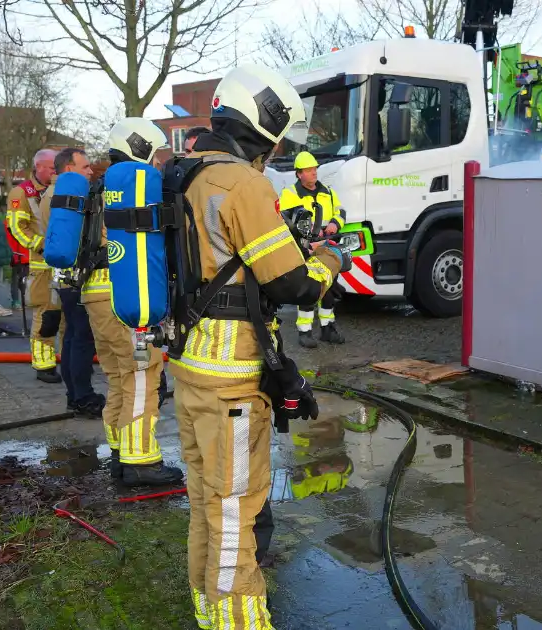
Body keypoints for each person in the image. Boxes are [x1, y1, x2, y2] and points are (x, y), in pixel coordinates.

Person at [170, 63, 349, 630]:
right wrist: (329, 259)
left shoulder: (185, 171)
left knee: (206, 500)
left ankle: (207, 609)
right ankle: (239, 622)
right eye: (275, 137)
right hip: (232, 378)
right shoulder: (243, 183)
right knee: (234, 510)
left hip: (191, 364)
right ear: (261, 123)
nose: (275, 151)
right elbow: (290, 285)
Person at [90, 118, 185, 487]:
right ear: (139, 147)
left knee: (117, 375)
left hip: (94, 294)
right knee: (143, 375)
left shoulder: (101, 187)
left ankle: (118, 447)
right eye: (154, 151)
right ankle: (140, 459)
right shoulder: (134, 189)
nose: (157, 159)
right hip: (124, 295)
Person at [42, 148, 104, 416]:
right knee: (82, 339)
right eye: (85, 166)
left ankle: (73, 394)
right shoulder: (68, 196)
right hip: (77, 278)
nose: (90, 171)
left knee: (70, 338)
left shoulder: (50, 195)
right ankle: (83, 396)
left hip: (63, 278)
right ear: (68, 168)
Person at [278, 151, 347, 348]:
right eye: (308, 170)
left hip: (327, 246)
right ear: (299, 174)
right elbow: (286, 222)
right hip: (305, 249)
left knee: (329, 289)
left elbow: (340, 211)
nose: (313, 173)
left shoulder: (328, 192)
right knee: (308, 289)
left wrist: (335, 222)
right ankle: (305, 331)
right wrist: (307, 243)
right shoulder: (290, 194)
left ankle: (327, 328)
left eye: (315, 169)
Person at [9, 148, 64, 383]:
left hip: (65, 263)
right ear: (39, 166)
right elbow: (17, 228)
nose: (55, 173)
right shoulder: (21, 193)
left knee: (69, 316)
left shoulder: (60, 188)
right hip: (42, 266)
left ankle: (72, 358)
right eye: (52, 168)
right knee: (45, 314)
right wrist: (42, 245)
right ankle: (44, 365)